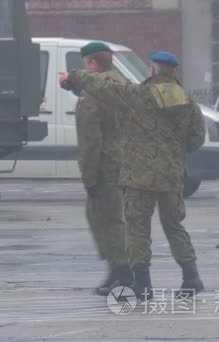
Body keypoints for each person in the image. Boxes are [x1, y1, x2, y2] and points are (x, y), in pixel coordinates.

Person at [60, 50, 206, 301]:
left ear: (152, 70)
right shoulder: (187, 101)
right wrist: (171, 150)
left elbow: (101, 84)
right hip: (171, 176)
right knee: (174, 226)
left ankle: (144, 285)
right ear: (173, 72)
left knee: (138, 229)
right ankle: (191, 277)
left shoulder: (138, 96)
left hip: (140, 178)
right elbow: (196, 140)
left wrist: (74, 76)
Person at [69, 42, 132, 296]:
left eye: (85, 63)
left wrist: (89, 175)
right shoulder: (124, 85)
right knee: (119, 218)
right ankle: (119, 271)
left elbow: (90, 139)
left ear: (92, 63)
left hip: (105, 166)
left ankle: (122, 272)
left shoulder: (93, 92)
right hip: (128, 161)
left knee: (105, 218)